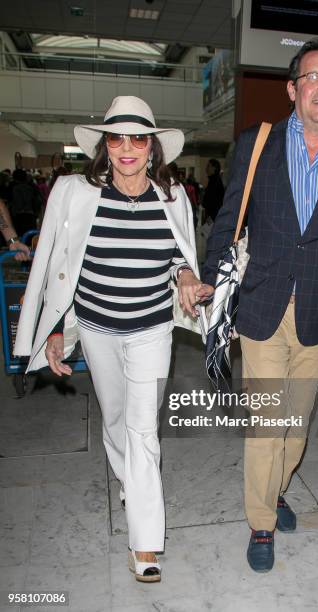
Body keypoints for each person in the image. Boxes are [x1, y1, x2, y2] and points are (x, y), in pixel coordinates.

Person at [202, 38, 318, 573]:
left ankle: (278, 488)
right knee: (267, 424)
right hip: (261, 305)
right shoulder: (255, 144)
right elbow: (229, 217)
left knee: (295, 424)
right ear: (292, 89)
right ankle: (260, 520)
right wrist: (209, 277)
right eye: (313, 77)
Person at [14, 96, 213, 583]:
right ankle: (128, 478)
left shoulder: (172, 197)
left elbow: (180, 257)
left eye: (138, 138)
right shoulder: (74, 191)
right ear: (105, 145)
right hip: (98, 329)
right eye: (117, 138)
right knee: (117, 416)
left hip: (151, 331)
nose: (127, 148)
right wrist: (56, 330)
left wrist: (186, 274)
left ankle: (145, 545)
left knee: (143, 432)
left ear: (152, 148)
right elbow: (59, 264)